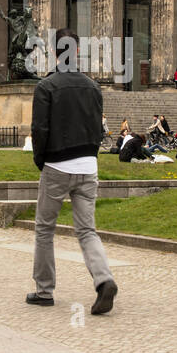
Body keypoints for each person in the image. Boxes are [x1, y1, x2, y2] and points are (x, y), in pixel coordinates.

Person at [28, 27, 116, 315]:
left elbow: (39, 129)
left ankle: (44, 291)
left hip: (56, 164)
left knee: (44, 229)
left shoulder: (46, 86)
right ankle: (104, 280)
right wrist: (90, 155)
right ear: (77, 51)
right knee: (87, 230)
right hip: (88, 165)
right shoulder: (93, 87)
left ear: (55, 52)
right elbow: (98, 128)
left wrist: (42, 161)